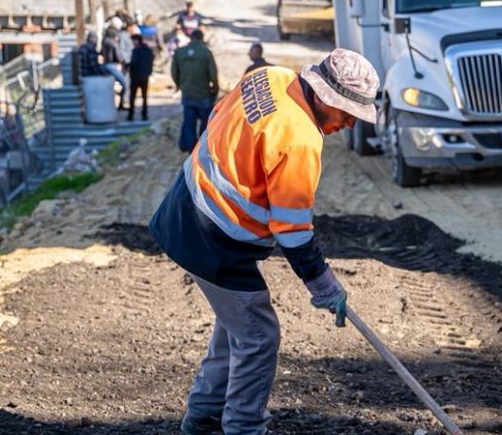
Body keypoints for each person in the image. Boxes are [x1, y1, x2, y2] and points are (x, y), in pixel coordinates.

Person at [148, 49, 380, 435]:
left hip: (182, 206)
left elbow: (218, 115)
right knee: (259, 335)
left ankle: (204, 416)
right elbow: (292, 231)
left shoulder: (269, 76)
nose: (350, 125)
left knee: (236, 323)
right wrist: (323, 285)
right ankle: (243, 427)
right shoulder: (301, 140)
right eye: (347, 114)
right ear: (325, 98)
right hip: (212, 240)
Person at [171, 29, 218, 152]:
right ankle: (202, 149)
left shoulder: (179, 52)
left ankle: (190, 149)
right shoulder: (206, 53)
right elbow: (213, 75)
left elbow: (174, 72)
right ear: (202, 39)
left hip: (187, 93)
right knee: (205, 123)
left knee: (189, 121)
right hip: (203, 93)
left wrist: (179, 86)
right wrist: (214, 90)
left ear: (191, 38)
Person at [127, 34, 154, 121]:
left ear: (137, 41)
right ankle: (144, 115)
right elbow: (151, 62)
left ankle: (131, 115)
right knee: (144, 97)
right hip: (145, 76)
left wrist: (127, 66)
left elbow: (133, 63)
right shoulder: (148, 50)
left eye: (133, 41)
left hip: (135, 76)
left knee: (132, 97)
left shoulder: (136, 50)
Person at [101, 27, 129, 110]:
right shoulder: (113, 43)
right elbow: (118, 56)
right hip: (112, 66)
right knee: (124, 84)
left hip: (105, 65)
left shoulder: (104, 42)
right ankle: (121, 104)